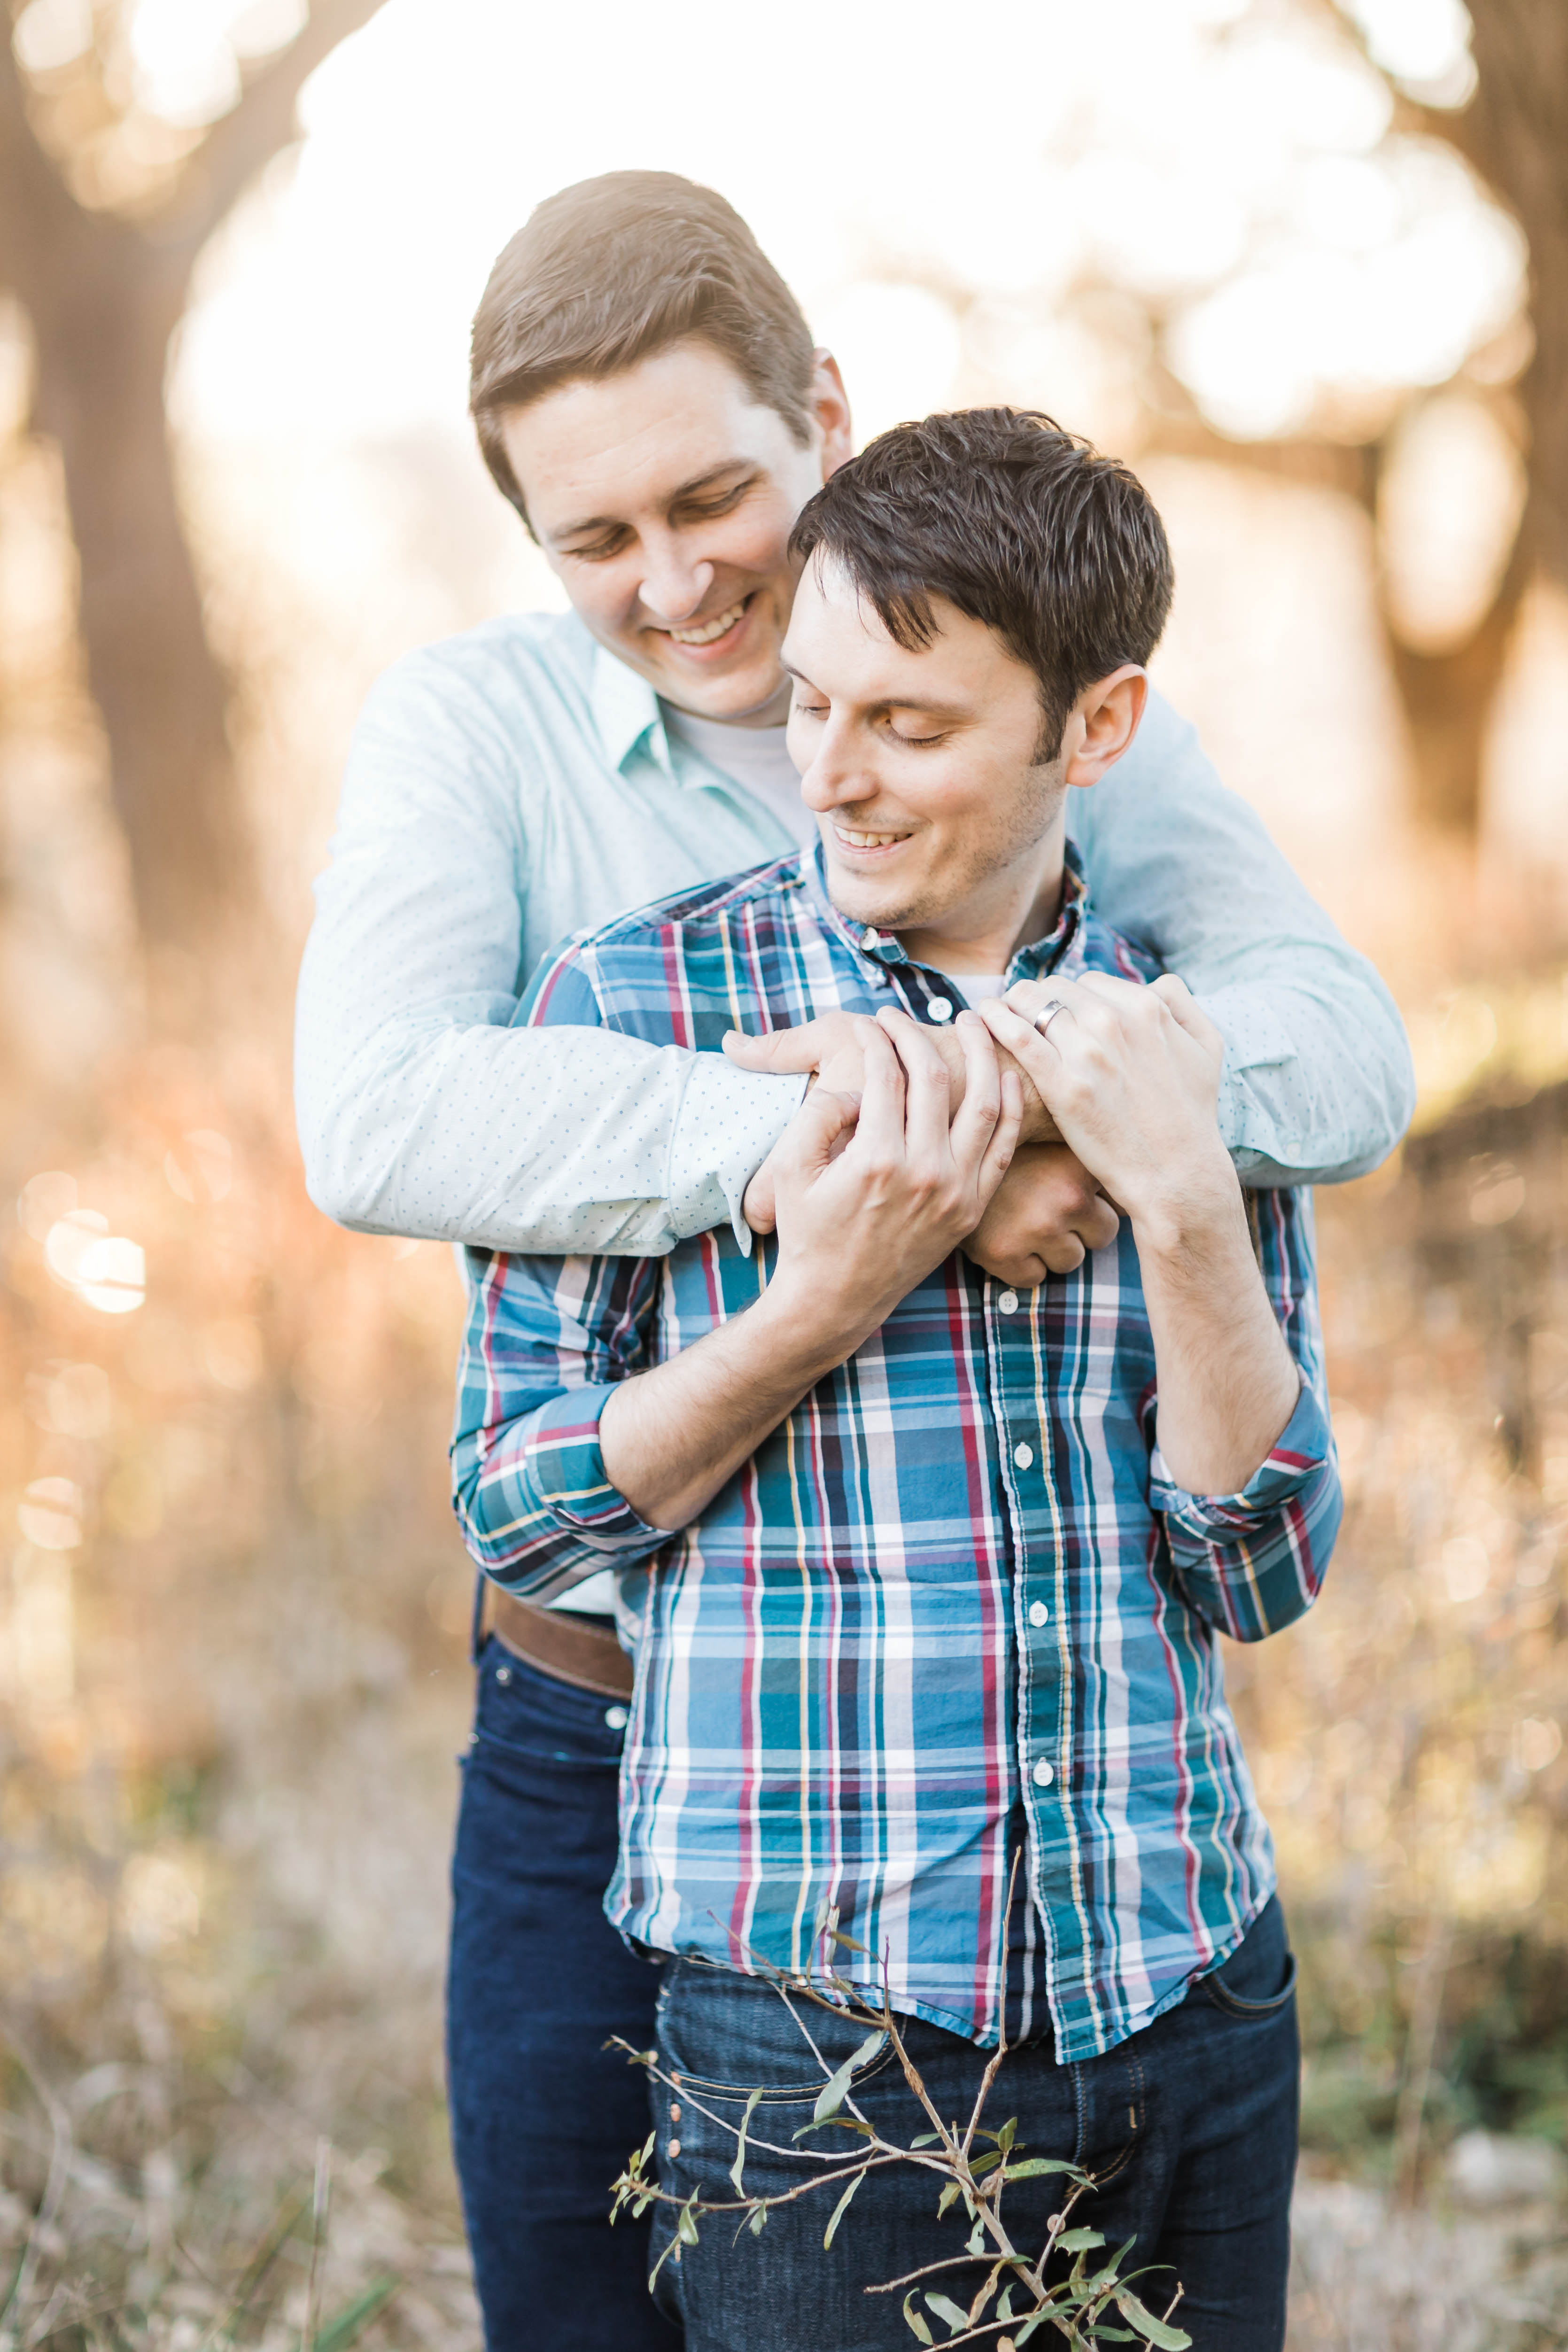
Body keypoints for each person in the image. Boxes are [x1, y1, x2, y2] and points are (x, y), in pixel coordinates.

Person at [294, 175, 1406, 2352]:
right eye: (590, 538)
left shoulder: (1058, 684)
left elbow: (1329, 1045)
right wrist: (850, 1154)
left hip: (1062, 1815)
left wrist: (1025, 1090)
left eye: (713, 495)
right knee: (588, 2305)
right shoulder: (485, 744)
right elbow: (383, 1115)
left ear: (820, 410)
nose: (675, 578)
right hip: (601, 1705)